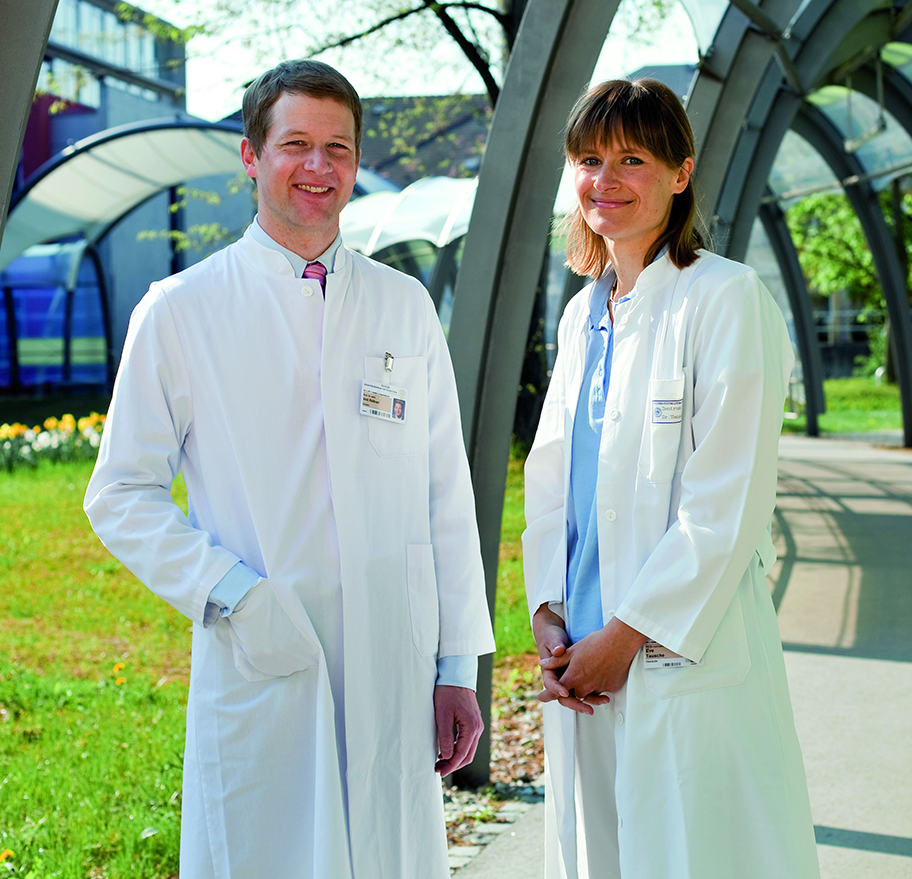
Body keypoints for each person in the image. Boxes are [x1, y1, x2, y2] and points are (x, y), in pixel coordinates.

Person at [83, 60, 495, 878]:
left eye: (338, 148)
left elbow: (444, 493)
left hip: (391, 657)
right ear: (251, 156)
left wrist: (456, 667)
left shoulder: (403, 304)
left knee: (384, 852)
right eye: (296, 143)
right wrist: (233, 594)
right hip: (263, 653)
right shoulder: (181, 310)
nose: (319, 166)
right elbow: (120, 493)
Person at [520, 79, 820, 879]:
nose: (605, 179)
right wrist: (548, 613)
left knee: (696, 856)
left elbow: (726, 506)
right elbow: (551, 484)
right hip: (582, 657)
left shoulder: (724, 297)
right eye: (589, 159)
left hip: (673, 656)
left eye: (632, 160)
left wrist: (625, 638)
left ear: (681, 173)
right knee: (604, 858)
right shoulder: (582, 315)